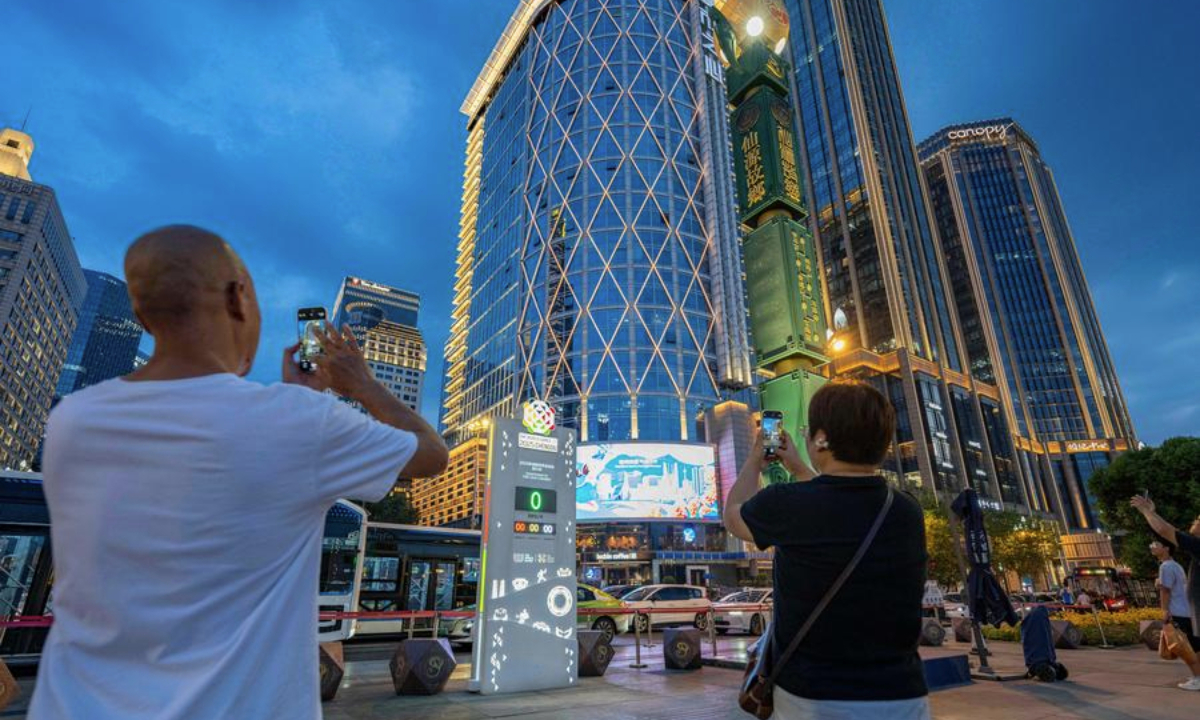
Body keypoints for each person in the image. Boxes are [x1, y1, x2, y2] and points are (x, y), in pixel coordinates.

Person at [28, 226, 449, 720]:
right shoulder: (296, 424)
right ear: (237, 299)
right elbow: (431, 454)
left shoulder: (73, 421)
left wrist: (299, 404)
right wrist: (361, 384)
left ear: (142, 315)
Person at [724, 380, 929, 720]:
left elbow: (734, 515)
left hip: (814, 700)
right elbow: (837, 504)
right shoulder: (906, 511)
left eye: (809, 432)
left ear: (821, 440)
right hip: (904, 698)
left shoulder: (787, 505)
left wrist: (756, 461)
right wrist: (800, 469)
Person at [1131, 495, 1200, 691]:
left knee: (1189, 646)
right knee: (1196, 644)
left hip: (1182, 610)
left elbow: (1164, 529)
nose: (1195, 521)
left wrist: (1146, 510)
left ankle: (1198, 677)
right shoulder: (1179, 563)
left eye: (1199, 520)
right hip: (1190, 608)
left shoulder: (1189, 551)